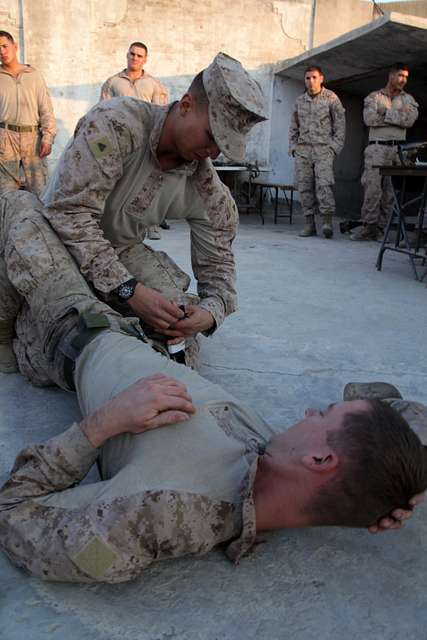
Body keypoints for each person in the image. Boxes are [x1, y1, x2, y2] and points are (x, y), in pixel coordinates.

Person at [0, 193, 425, 583]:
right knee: (140, 261)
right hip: (160, 340)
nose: (311, 412)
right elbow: (377, 405)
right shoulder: (279, 456)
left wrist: (103, 424)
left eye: (324, 416)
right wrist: (405, 480)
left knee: (24, 209)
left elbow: (14, 512)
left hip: (73, 332)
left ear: (320, 459)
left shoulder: (156, 513)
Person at [0, 52, 268, 374]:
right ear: (185, 105)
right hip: (56, 238)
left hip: (119, 251)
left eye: (223, 145)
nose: (213, 152)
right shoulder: (116, 124)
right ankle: (10, 333)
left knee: (175, 318)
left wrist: (210, 312)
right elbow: (70, 215)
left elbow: (219, 266)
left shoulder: (206, 187)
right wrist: (129, 291)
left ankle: (115, 352)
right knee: (21, 214)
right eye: (211, 136)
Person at [100, 41, 169, 240]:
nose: (135, 58)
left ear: (145, 59)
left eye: (139, 55)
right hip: (120, 142)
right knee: (119, 182)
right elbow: (103, 112)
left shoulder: (154, 85)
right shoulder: (113, 83)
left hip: (146, 142)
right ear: (127, 55)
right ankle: (114, 223)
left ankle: (150, 225)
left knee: (148, 184)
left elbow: (161, 114)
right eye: (132, 54)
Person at [351, 63, 419, 241]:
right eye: (400, 75)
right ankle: (368, 228)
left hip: (397, 150)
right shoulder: (374, 97)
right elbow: (369, 119)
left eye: (406, 77)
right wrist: (397, 115)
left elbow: (409, 121)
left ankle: (382, 229)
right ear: (391, 76)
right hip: (377, 148)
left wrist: (386, 112)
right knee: (372, 189)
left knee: (390, 193)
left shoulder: (408, 100)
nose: (403, 80)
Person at [289, 66, 345, 239]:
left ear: (321, 78)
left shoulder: (331, 98)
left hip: (323, 150)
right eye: (307, 78)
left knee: (324, 185)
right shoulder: (299, 101)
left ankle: (327, 223)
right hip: (303, 150)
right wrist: (293, 146)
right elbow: (293, 126)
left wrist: (334, 147)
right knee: (304, 187)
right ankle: (309, 225)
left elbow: (340, 125)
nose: (310, 81)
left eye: (314, 77)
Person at [0, 30, 56, 196]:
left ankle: (39, 222)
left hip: (33, 140)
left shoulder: (34, 75)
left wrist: (48, 137)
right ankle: (7, 222)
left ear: (15, 47)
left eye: (5, 46)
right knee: (6, 193)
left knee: (40, 191)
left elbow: (46, 109)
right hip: (5, 140)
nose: (2, 51)